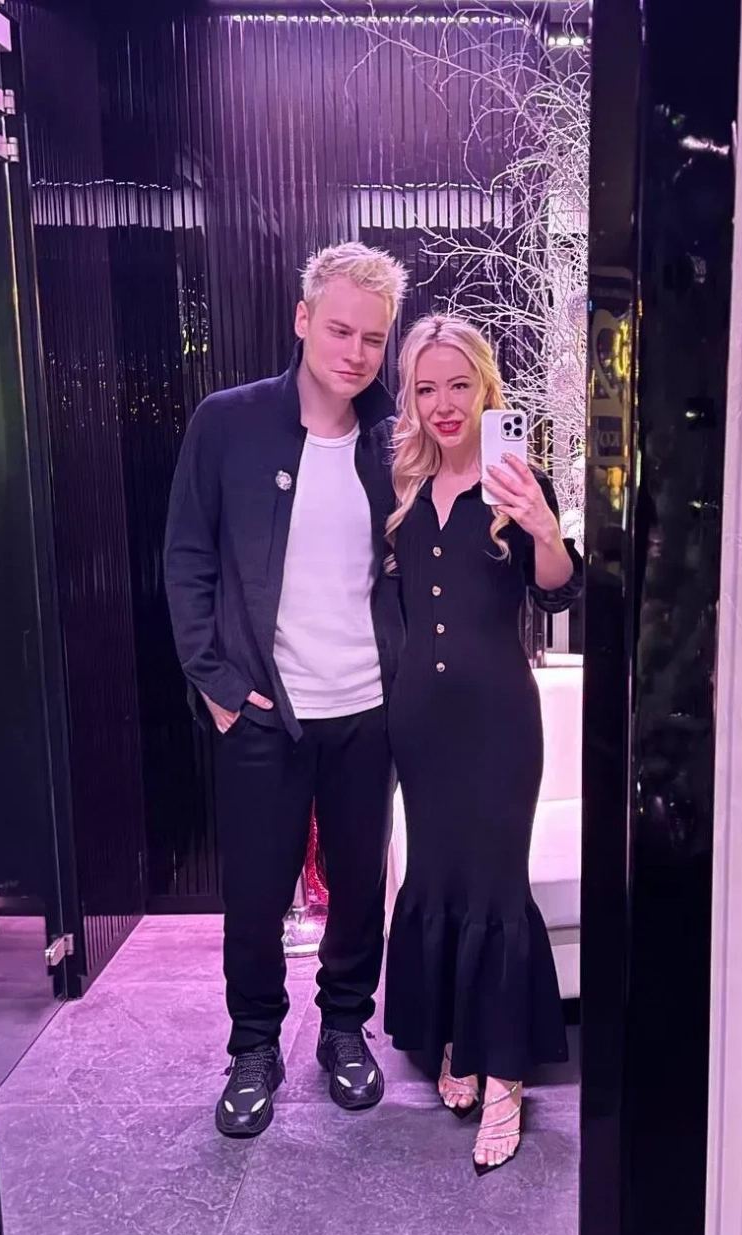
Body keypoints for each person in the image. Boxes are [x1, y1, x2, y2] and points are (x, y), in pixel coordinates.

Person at [164, 242, 408, 1138]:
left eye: (373, 339)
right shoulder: (227, 424)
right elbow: (186, 557)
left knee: (358, 886)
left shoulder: (396, 440)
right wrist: (218, 685)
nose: (355, 353)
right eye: (340, 330)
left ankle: (344, 1028)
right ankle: (253, 1046)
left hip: (368, 708)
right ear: (303, 320)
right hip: (264, 711)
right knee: (256, 894)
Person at [383, 315, 583, 1175]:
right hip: (419, 722)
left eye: (458, 385)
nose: (443, 404)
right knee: (437, 877)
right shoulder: (401, 486)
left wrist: (543, 529)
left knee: (497, 888)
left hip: (500, 721)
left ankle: (505, 1077)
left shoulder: (516, 481)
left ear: (484, 387)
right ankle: (456, 1040)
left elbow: (558, 595)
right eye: (426, 388)